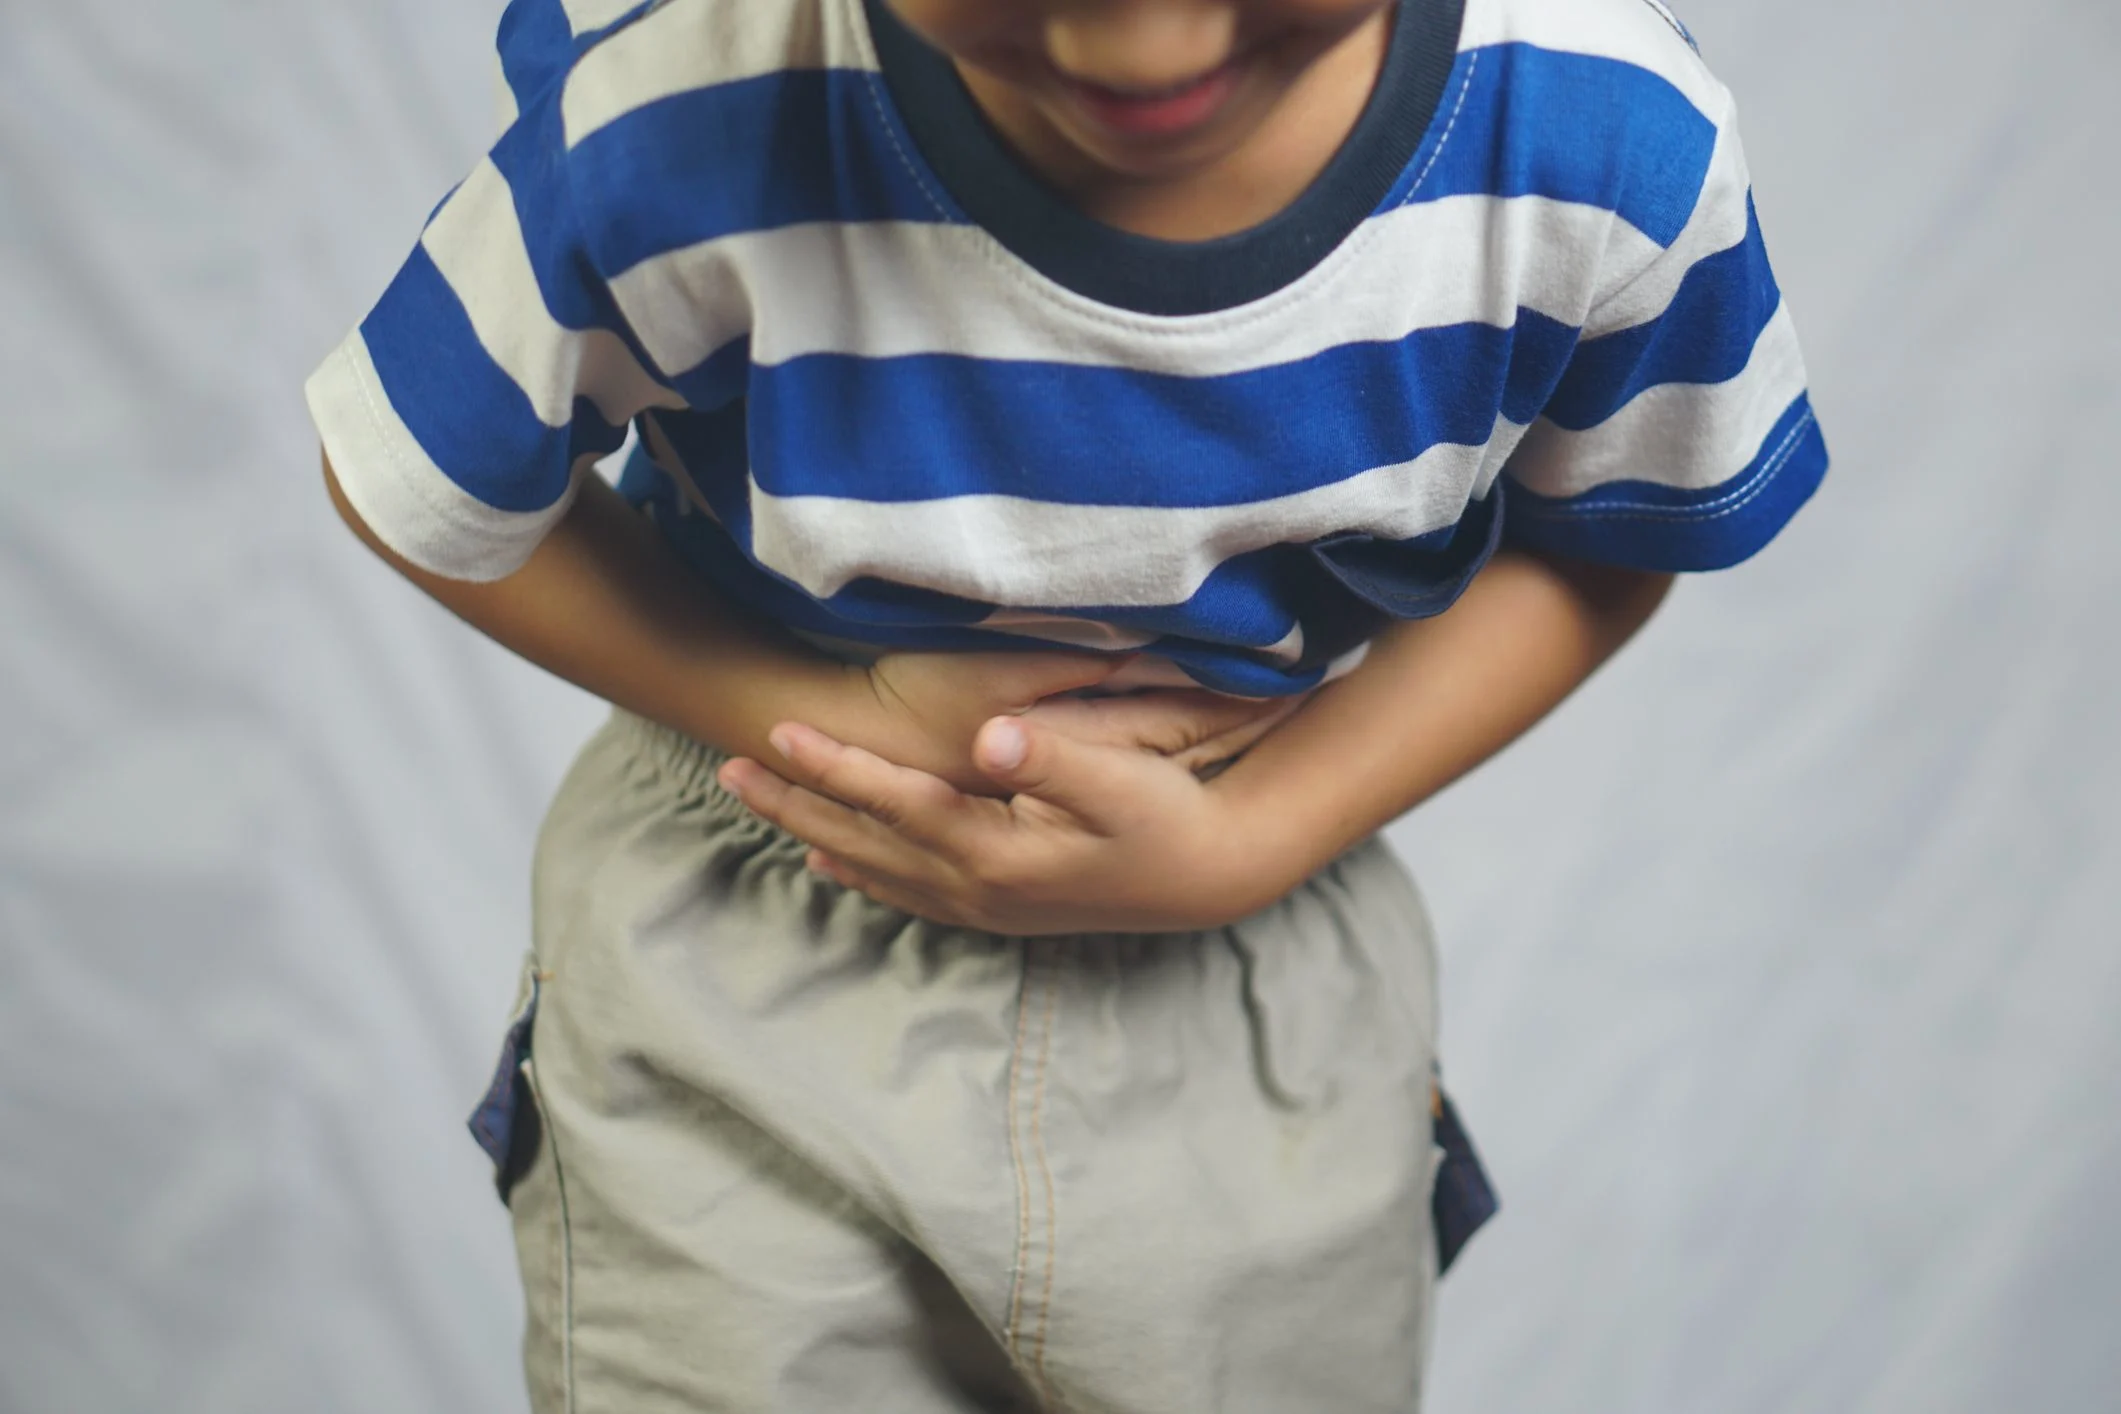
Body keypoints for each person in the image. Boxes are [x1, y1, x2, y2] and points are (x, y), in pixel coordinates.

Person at [305, 0, 1827, 1406]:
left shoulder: (1605, 135)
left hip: (1246, 995)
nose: (1141, 44)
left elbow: (1611, 535)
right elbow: (417, 479)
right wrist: (816, 712)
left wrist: (1258, 835)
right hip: (746, 974)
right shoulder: (681, 90)